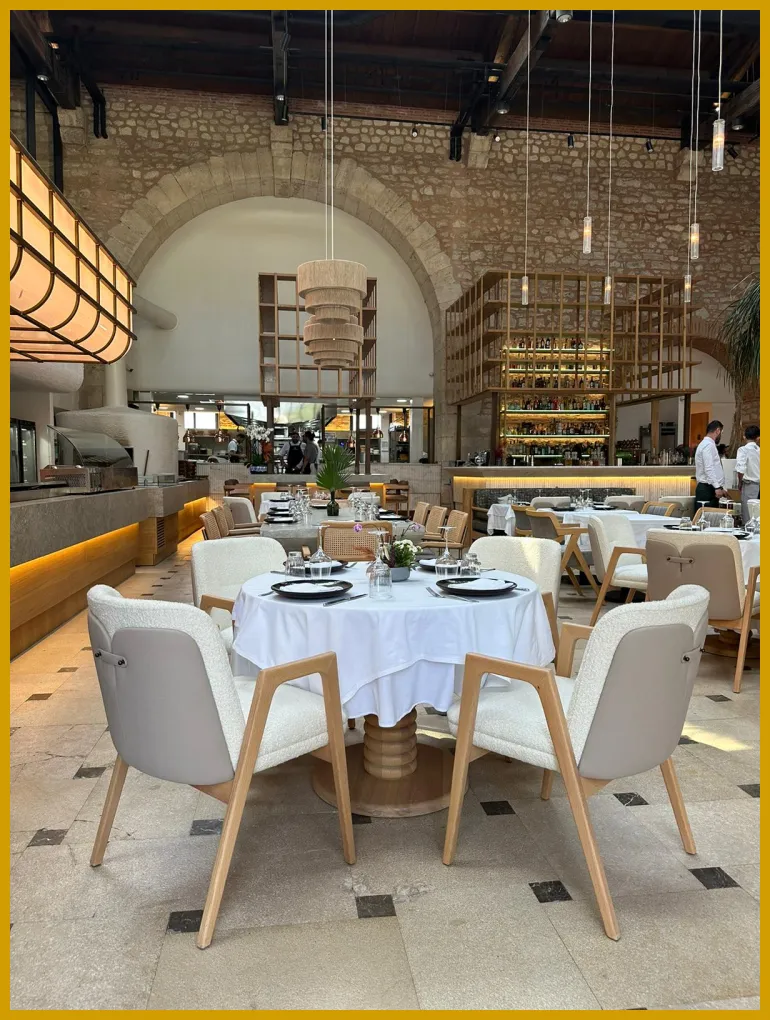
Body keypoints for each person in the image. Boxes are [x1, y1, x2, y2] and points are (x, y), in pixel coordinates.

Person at [694, 420, 728, 508]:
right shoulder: (708, 445)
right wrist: (717, 487)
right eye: (721, 433)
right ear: (718, 431)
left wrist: (720, 487)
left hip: (710, 487)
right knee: (707, 515)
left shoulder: (707, 444)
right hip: (707, 489)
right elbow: (708, 468)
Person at [736, 424, 760, 525]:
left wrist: (740, 482)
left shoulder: (743, 450)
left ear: (744, 437)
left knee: (749, 517)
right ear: (758, 438)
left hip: (750, 485)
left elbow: (740, 469)